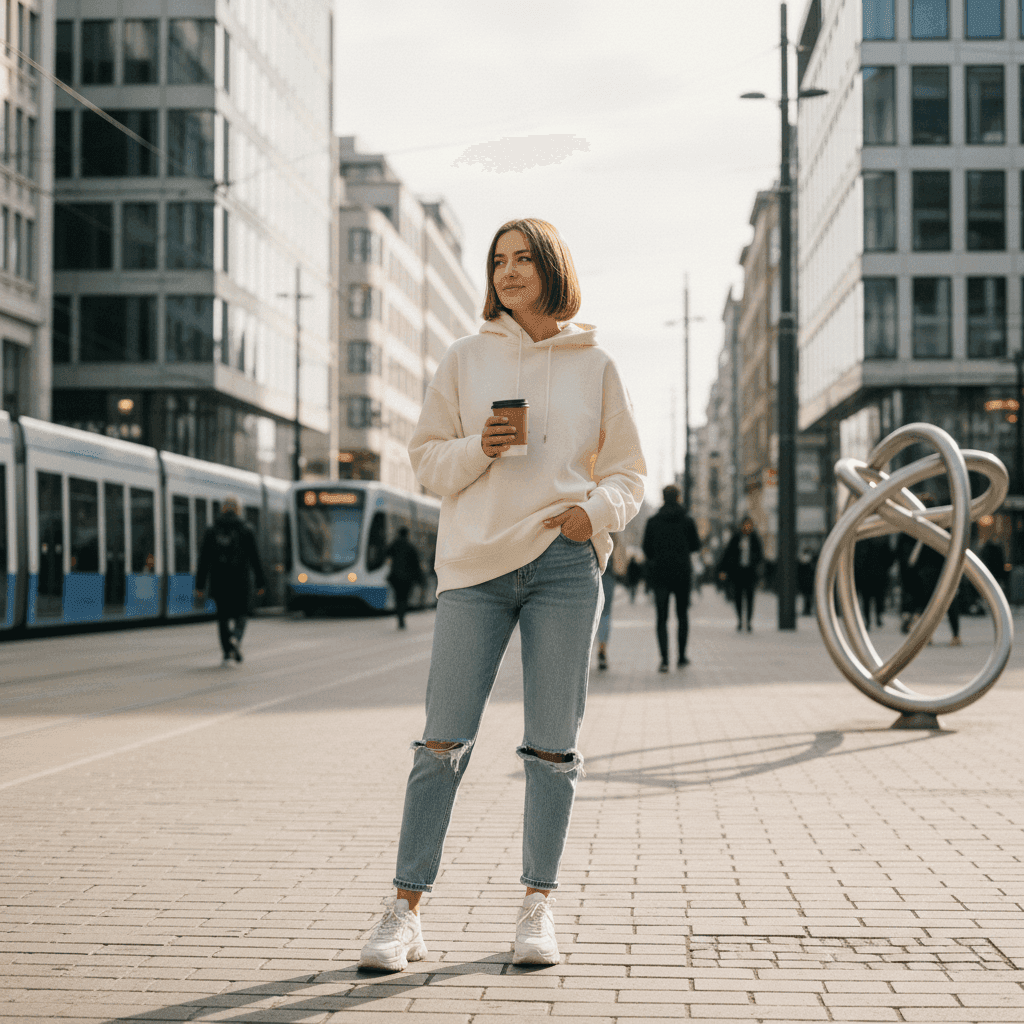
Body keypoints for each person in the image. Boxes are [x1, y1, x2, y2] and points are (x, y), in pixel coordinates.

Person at [357, 218, 645, 973]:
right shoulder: (464, 358)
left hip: (561, 563)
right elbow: (424, 459)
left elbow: (629, 472)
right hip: (476, 569)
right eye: (499, 260)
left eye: (523, 259)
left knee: (554, 749)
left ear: (551, 268)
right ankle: (403, 911)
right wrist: (475, 449)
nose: (509, 271)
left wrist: (597, 514)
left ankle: (536, 908)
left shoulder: (596, 364)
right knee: (440, 742)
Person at [196, 496, 266, 663]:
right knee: (242, 613)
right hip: (240, 582)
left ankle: (227, 651)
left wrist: (199, 586)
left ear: (222, 509)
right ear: (238, 509)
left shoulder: (211, 530)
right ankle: (236, 637)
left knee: (223, 617)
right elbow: (255, 558)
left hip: (219, 582)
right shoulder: (246, 530)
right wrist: (260, 582)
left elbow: (204, 560)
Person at [641, 485, 701, 671]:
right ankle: (682, 656)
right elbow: (696, 545)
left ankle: (665, 659)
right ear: (678, 497)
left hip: (660, 574)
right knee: (682, 616)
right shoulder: (687, 520)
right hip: (682, 574)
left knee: (661, 618)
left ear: (663, 497)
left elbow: (646, 548)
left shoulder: (653, 521)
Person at [718, 517, 763, 632]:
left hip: (750, 572)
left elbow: (760, 555)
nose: (747, 527)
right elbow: (728, 554)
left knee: (750, 598)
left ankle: (748, 622)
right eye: (746, 525)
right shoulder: (736, 537)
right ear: (742, 525)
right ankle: (739, 620)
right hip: (738, 573)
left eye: (749, 525)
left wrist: (757, 567)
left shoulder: (755, 538)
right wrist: (723, 570)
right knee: (738, 598)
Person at [386, 527, 425, 629]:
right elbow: (416, 564)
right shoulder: (411, 547)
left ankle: (399, 618)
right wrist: (420, 579)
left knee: (398, 598)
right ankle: (402, 618)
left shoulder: (395, 545)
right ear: (407, 534)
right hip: (407, 579)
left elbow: (386, 553)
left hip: (395, 577)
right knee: (404, 598)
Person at [854, 535, 893, 631]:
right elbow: (890, 557)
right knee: (878, 598)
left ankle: (868, 620)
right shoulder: (882, 539)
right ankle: (878, 617)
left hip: (866, 576)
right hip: (878, 575)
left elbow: (856, 559)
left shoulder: (860, 541)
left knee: (866, 599)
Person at [595, 539, 617, 670]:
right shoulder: (612, 525)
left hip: (587, 572)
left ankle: (580, 655)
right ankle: (602, 650)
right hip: (608, 575)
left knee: (583, 614)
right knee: (605, 614)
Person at [797, 546, 817, 616]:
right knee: (808, 597)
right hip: (808, 582)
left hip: (805, 582)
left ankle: (807, 610)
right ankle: (807, 610)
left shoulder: (801, 560)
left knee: (806, 597)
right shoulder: (811, 561)